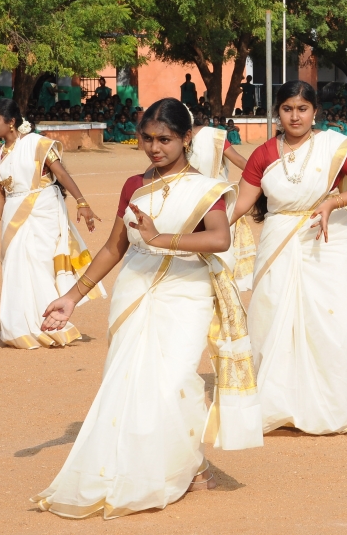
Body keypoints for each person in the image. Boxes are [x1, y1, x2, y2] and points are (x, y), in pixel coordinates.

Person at [34, 98, 262, 519]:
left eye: (165, 139)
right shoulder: (134, 185)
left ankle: (186, 461)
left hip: (186, 291)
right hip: (136, 287)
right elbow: (113, 248)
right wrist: (71, 297)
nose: (155, 148)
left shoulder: (205, 188)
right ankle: (163, 468)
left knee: (174, 381)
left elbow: (219, 240)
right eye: (147, 138)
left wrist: (160, 240)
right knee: (130, 381)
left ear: (186, 137)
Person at [230, 81, 347, 435]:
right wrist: (198, 227)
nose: (295, 116)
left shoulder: (333, 147)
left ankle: (333, 405)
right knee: (273, 319)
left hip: (328, 242)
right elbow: (241, 204)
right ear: (278, 112)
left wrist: (333, 202)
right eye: (288, 109)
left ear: (315, 111)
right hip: (279, 243)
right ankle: (277, 405)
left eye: (302, 109)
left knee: (331, 324)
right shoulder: (263, 154)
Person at [0, 98, 104, 349]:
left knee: (39, 264)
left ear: (11, 122)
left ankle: (50, 324)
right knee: (16, 266)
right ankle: (20, 328)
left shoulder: (37, 143)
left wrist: (82, 202)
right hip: (14, 215)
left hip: (44, 209)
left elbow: (61, 174)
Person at [188, 110, 256, 291]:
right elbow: (240, 160)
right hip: (217, 199)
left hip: (194, 201)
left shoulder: (177, 139)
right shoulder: (212, 136)